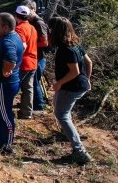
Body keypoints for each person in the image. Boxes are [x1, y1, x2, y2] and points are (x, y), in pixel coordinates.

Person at [49, 16, 93, 164]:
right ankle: (66, 132)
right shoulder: (76, 44)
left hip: (71, 87)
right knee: (59, 106)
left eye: (51, 29)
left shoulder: (65, 49)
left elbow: (73, 71)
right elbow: (88, 62)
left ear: (56, 31)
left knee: (61, 114)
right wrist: (87, 78)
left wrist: (58, 84)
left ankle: (80, 151)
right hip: (79, 85)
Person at [0, 13, 24, 154]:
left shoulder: (8, 41)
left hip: (3, 84)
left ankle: (6, 144)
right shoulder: (10, 37)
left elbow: (11, 59)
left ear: (6, 27)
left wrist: (5, 71)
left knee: (5, 113)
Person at [21, 0, 50, 112]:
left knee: (34, 81)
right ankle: (33, 103)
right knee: (31, 82)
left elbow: (45, 42)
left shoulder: (39, 23)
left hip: (38, 57)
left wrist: (30, 44)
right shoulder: (29, 21)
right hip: (32, 56)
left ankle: (39, 105)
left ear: (34, 9)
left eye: (28, 11)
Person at [14, 6, 38, 119]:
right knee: (28, 88)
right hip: (33, 62)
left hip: (23, 63)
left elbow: (22, 46)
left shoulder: (19, 29)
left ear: (16, 16)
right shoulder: (32, 27)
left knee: (13, 87)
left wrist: (14, 61)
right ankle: (27, 113)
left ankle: (7, 110)